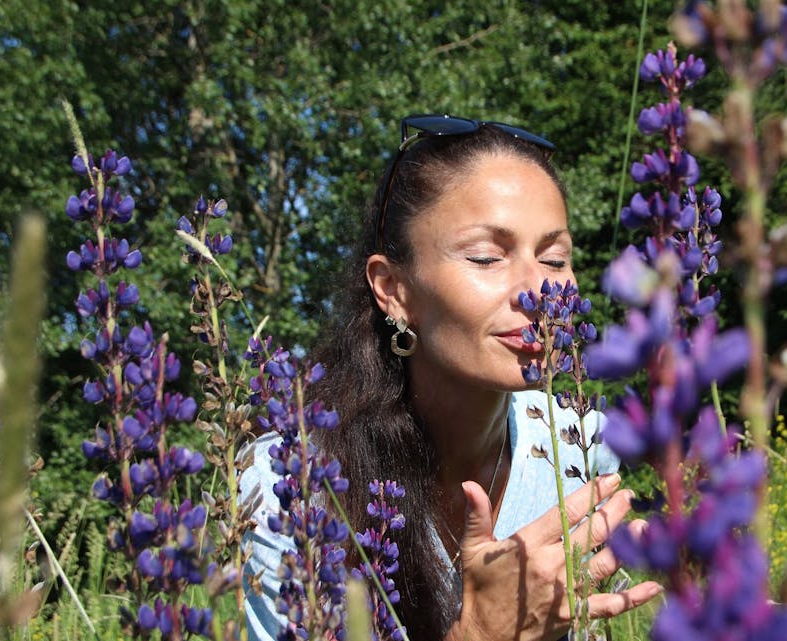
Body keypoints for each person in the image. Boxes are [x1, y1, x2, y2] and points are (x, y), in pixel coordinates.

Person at [241, 115, 661, 640]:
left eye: (555, 258)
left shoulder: (579, 443)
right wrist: (482, 633)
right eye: (486, 257)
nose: (538, 293)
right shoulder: (291, 479)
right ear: (393, 290)